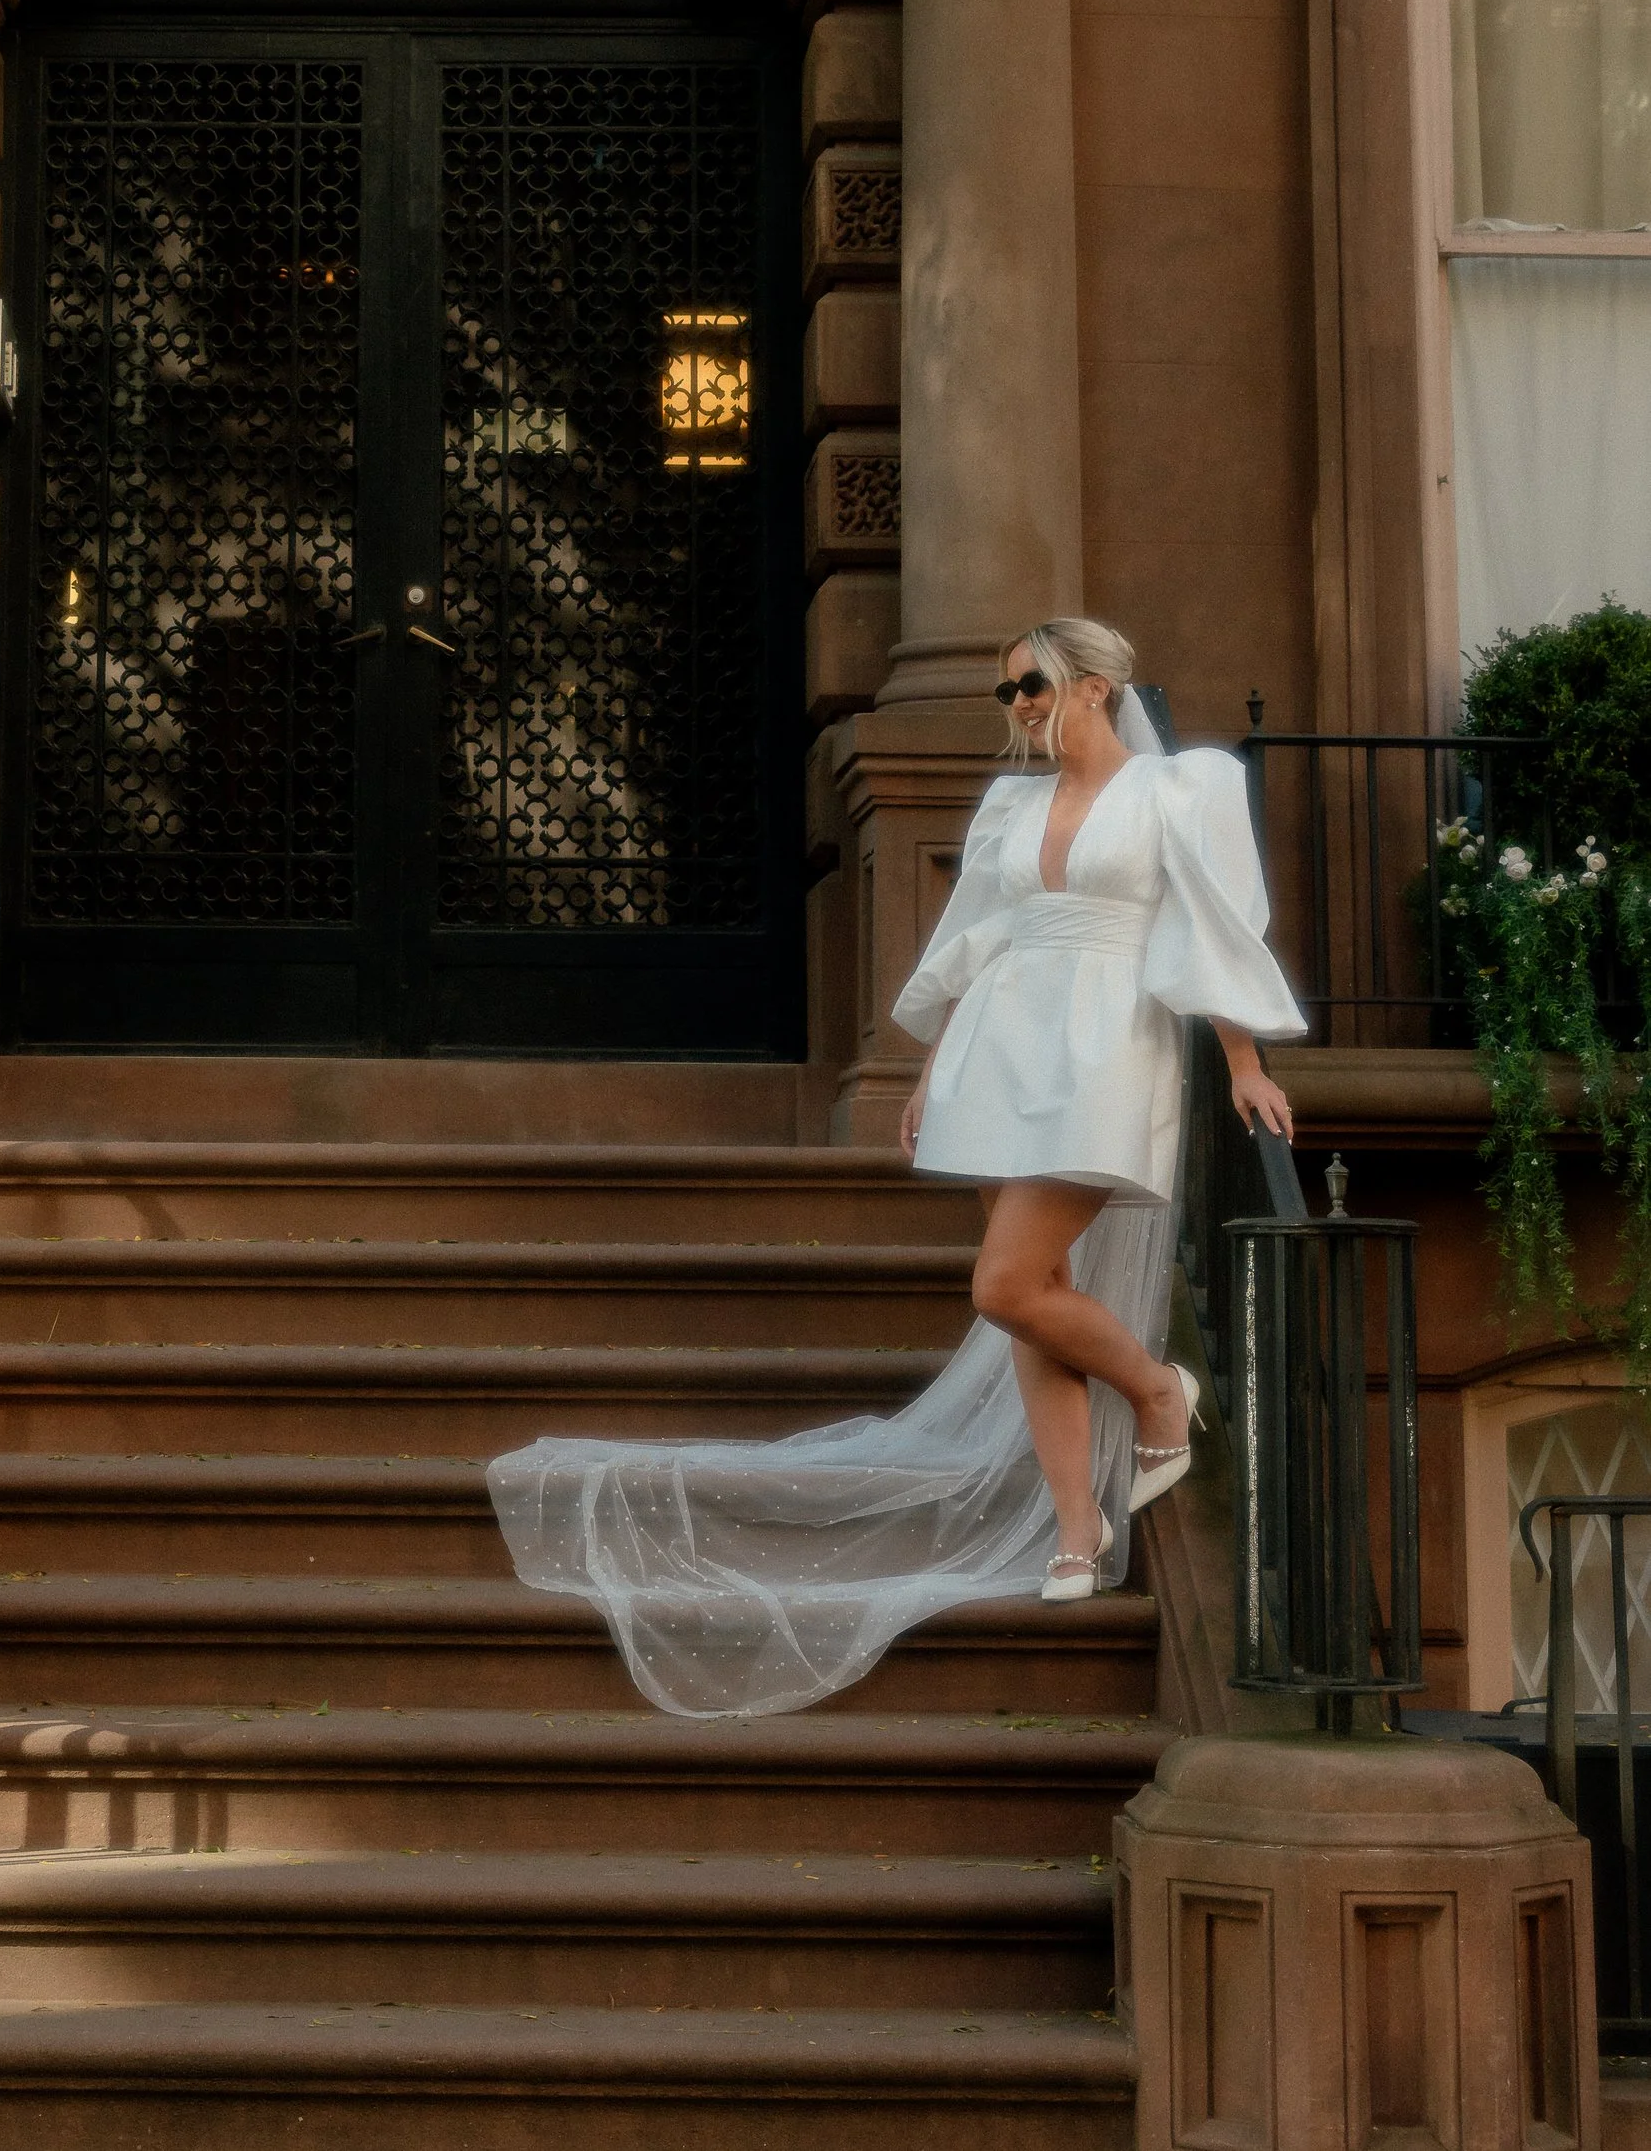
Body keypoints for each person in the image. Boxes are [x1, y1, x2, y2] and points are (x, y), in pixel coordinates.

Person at [487, 617, 1307, 1717]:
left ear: (1097, 685)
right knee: (1036, 1298)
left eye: (1034, 683)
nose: (1017, 703)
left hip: (1109, 1045)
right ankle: (1076, 1525)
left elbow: (1207, 931)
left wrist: (1244, 1060)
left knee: (1004, 1284)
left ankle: (1160, 1389)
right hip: (1000, 1044)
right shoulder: (1010, 805)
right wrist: (930, 1071)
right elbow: (975, 939)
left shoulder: (1175, 792)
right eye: (1006, 689)